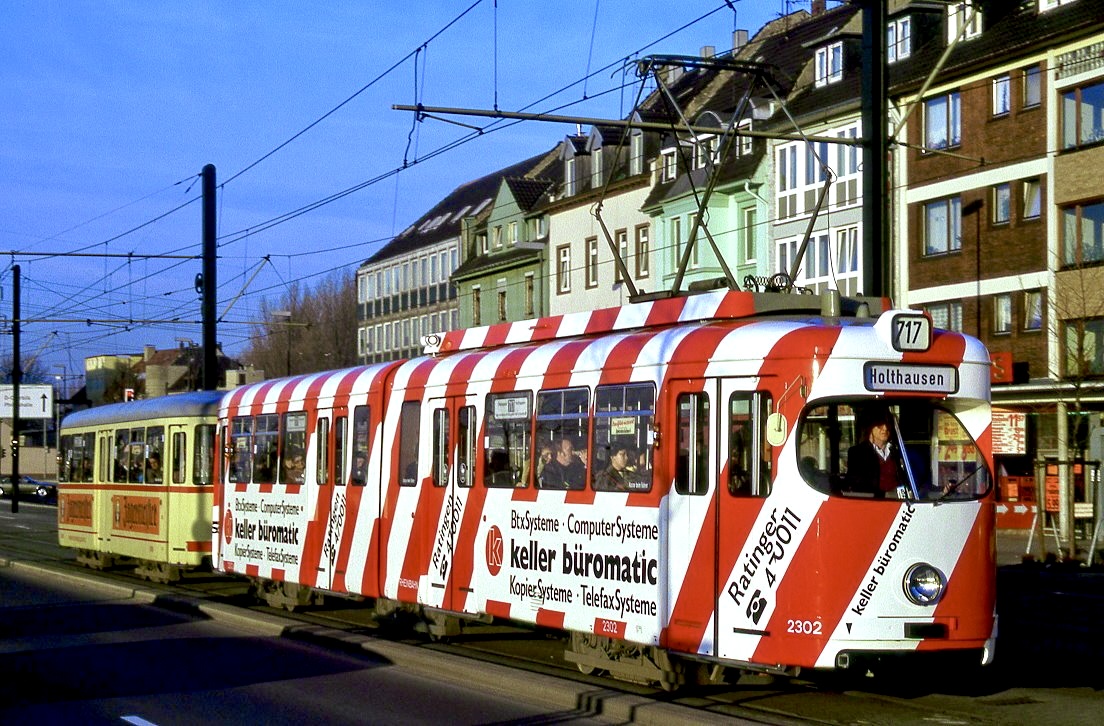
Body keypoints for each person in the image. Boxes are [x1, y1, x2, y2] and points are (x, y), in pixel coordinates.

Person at [845, 411, 905, 498]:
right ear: (870, 427)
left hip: (899, 501)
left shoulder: (897, 451)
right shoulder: (857, 452)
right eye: (879, 425)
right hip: (873, 502)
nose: (885, 428)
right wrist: (884, 495)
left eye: (888, 425)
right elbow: (857, 484)